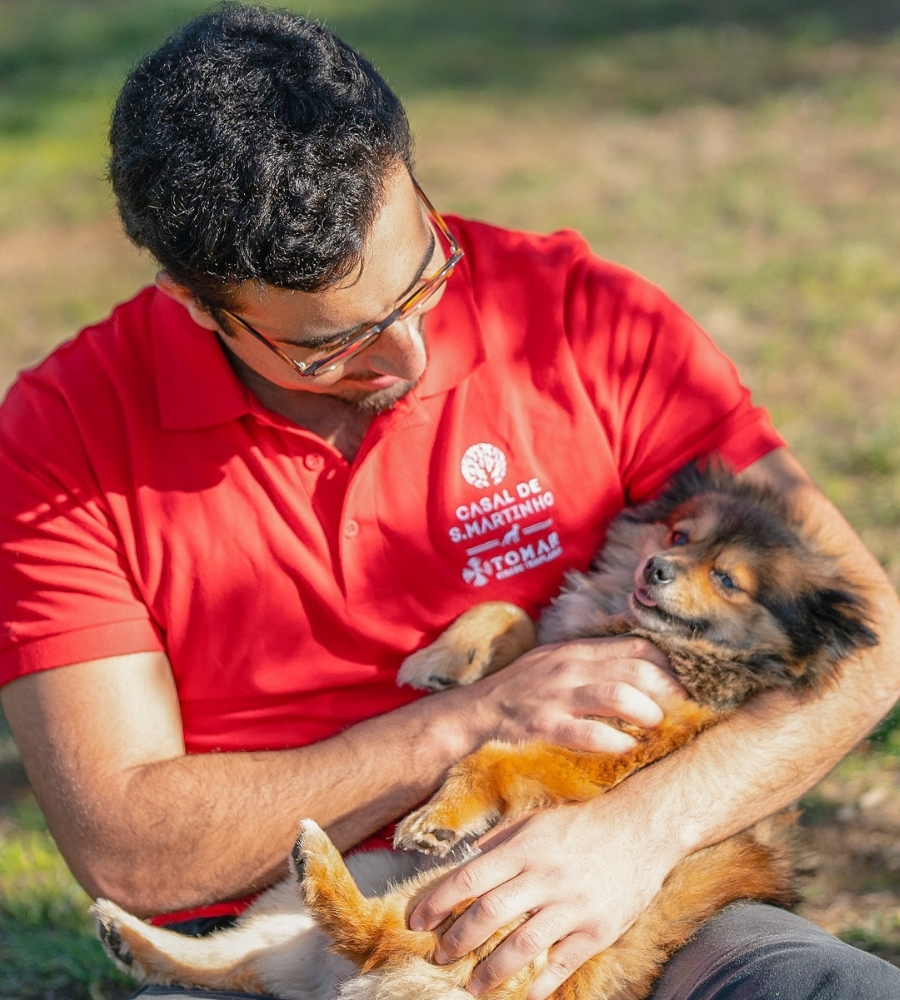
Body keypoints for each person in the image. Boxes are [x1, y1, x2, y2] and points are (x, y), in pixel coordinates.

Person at [0, 4, 898, 999]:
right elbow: (129, 850)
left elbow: (871, 638)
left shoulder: (580, 317)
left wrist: (637, 831)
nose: (409, 354)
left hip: (638, 902)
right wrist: (464, 723)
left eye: (421, 275)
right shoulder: (62, 441)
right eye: (328, 345)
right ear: (191, 300)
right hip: (294, 927)